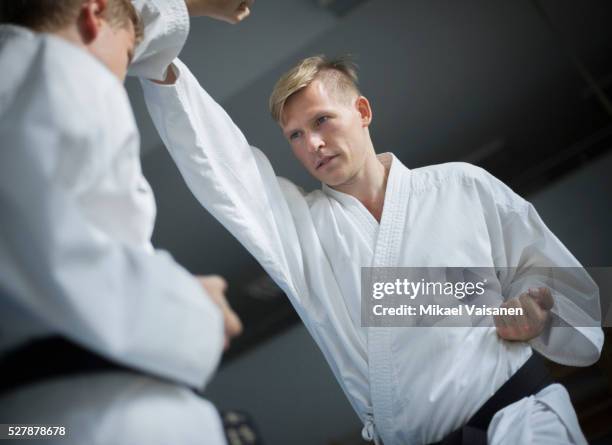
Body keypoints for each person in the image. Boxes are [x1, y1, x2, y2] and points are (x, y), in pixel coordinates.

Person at [141, 49, 603, 444]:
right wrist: (160, 58)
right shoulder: (299, 229)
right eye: (296, 135)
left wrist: (535, 312)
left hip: (519, 420)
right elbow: (223, 166)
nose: (313, 144)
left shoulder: (462, 185)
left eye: (321, 120)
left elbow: (551, 284)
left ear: (362, 112)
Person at [0, 1, 250, 444]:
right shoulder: (53, 68)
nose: (123, 74)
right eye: (131, 54)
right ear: (92, 14)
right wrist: (196, 306)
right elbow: (46, 252)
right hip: (85, 416)